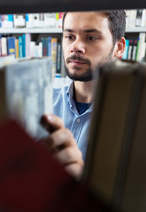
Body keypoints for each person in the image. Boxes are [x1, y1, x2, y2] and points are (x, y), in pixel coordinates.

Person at [42, 11, 126, 180]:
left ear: (118, 47)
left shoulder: (135, 119)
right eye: (70, 36)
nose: (76, 47)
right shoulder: (43, 102)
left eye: (91, 38)